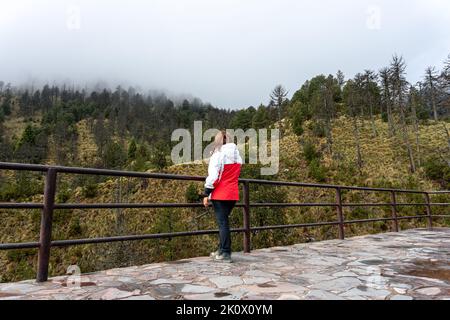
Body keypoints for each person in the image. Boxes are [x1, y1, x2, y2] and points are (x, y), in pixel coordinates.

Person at [203, 130, 242, 263]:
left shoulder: (218, 155)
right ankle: (221, 250)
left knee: (222, 223)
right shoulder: (237, 155)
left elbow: (214, 176)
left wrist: (206, 192)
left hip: (220, 194)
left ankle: (225, 252)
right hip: (233, 194)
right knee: (224, 222)